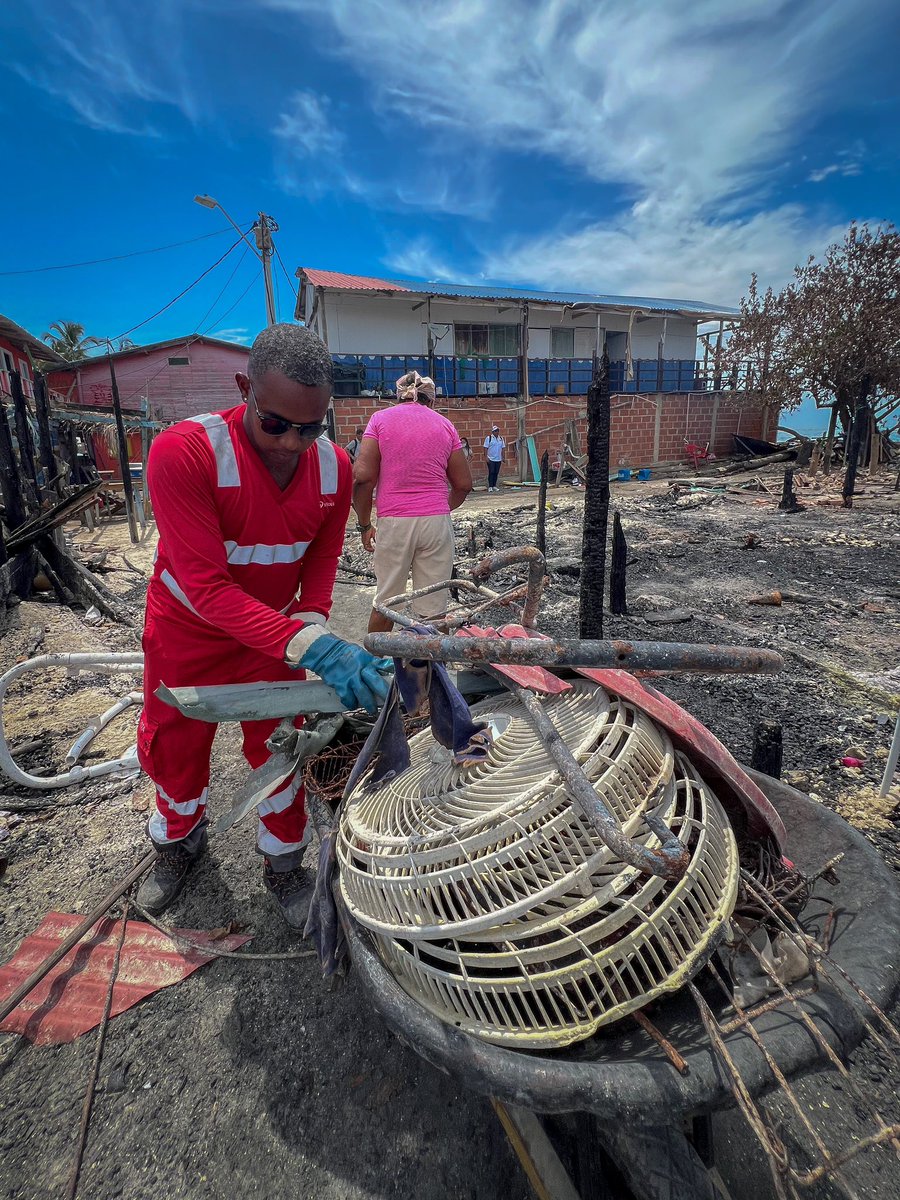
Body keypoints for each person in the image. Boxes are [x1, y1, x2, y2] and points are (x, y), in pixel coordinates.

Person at [136, 324, 390, 928]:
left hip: (273, 635)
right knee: (176, 745)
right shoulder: (186, 453)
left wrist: (312, 627)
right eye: (276, 423)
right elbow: (208, 588)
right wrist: (316, 647)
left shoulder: (333, 469)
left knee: (281, 745)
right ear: (245, 388)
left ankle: (283, 863)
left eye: (312, 426)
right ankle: (177, 841)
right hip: (187, 632)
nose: (292, 444)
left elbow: (319, 562)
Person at [353, 370, 472, 633]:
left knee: (386, 602)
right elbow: (463, 485)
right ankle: (432, 672)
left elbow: (362, 479)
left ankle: (374, 667)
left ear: (399, 397)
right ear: (430, 400)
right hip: (436, 526)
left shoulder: (379, 420)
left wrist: (364, 525)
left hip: (394, 523)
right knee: (434, 611)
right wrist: (439, 508)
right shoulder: (444, 425)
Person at [484, 425, 505, 491]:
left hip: (498, 458)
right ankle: (490, 486)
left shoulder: (501, 438)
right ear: (492, 432)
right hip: (491, 458)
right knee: (491, 472)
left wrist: (503, 457)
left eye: (497, 431)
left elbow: (503, 448)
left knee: (496, 472)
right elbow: (485, 448)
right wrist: (486, 457)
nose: (496, 432)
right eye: (495, 431)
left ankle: (494, 485)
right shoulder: (489, 438)